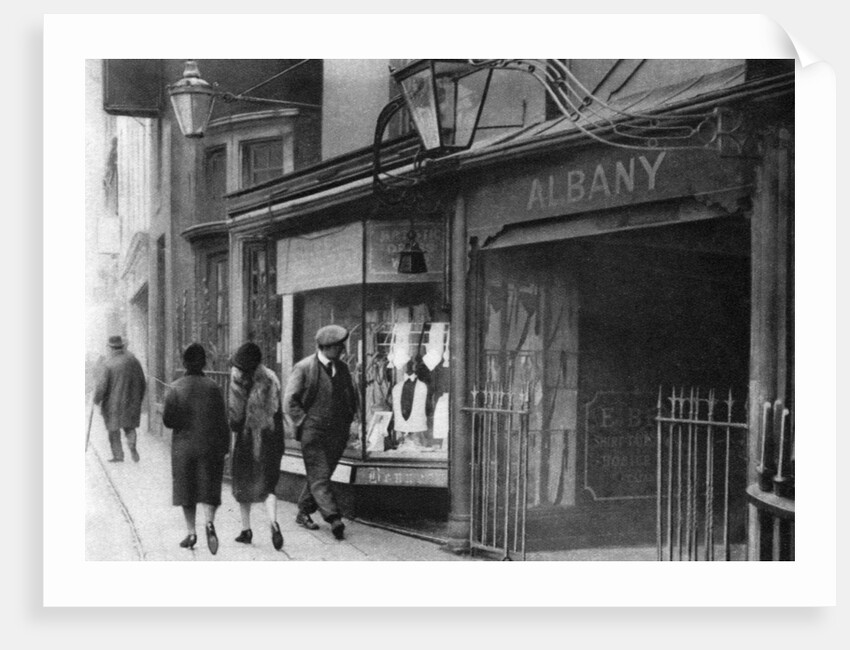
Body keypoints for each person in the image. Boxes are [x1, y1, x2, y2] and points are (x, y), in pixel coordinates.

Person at [284, 325, 358, 541]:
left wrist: (350, 421)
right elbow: (290, 400)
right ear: (327, 347)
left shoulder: (342, 368)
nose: (343, 349)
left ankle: (303, 511)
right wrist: (304, 421)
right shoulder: (305, 367)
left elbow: (349, 397)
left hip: (337, 433)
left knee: (321, 475)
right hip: (313, 431)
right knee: (319, 474)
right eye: (339, 346)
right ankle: (334, 518)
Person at [162, 343, 229, 554]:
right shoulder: (214, 387)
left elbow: (168, 421)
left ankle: (191, 533)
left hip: (184, 447)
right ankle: (209, 522)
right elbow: (222, 421)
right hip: (210, 446)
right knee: (209, 488)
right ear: (204, 363)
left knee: (187, 490)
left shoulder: (175, 388)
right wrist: (225, 447)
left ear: (184, 363)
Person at [228, 342, 285, 550]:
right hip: (271, 437)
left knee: (243, 484)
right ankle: (274, 523)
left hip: (247, 439)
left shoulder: (237, 379)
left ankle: (246, 530)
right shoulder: (271, 378)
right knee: (268, 485)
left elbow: (235, 415)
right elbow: (278, 411)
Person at [93, 335, 147, 463]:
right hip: (131, 402)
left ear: (110, 348)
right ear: (122, 346)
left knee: (113, 430)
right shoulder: (134, 360)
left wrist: (96, 399)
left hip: (113, 404)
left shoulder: (107, 364)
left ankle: (118, 455)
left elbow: (102, 386)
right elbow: (142, 382)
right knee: (129, 427)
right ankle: (132, 445)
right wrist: (138, 398)